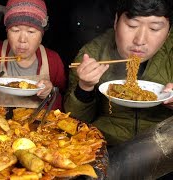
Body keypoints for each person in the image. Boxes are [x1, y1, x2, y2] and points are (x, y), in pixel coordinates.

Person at [64, 0, 173, 178]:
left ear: (168, 32)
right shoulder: (92, 54)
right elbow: (75, 122)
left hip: (164, 152)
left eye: (154, 29)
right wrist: (85, 87)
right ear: (116, 21)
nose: (140, 40)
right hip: (107, 148)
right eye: (132, 25)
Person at [0, 0, 66, 110]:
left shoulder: (53, 60)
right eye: (15, 30)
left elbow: (61, 105)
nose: (22, 40)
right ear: (7, 32)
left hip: (39, 126)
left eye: (31, 32)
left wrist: (50, 94)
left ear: (41, 36)